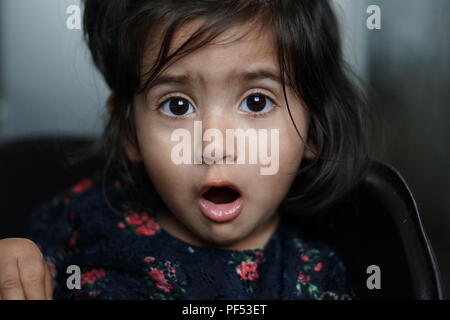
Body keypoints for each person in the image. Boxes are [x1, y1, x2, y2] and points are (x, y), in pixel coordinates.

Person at [0, 0, 371, 300]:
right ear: (130, 132)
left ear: (313, 133)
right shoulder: (82, 215)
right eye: (177, 106)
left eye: (256, 102)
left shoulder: (312, 279)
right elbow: (24, 266)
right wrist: (14, 263)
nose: (214, 146)